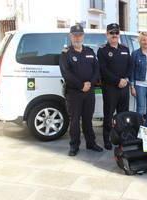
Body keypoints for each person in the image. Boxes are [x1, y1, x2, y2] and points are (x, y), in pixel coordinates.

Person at [59, 24, 103, 156]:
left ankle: (91, 143)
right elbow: (66, 73)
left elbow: (97, 69)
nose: (77, 38)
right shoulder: (66, 53)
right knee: (74, 120)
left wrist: (90, 83)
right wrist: (81, 85)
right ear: (70, 36)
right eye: (74, 35)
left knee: (88, 119)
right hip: (74, 93)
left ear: (83, 36)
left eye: (79, 35)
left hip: (89, 91)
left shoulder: (89, 51)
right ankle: (74, 146)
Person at [97, 23, 131, 150]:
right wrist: (118, 81)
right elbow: (103, 69)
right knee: (109, 114)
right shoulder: (102, 50)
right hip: (110, 88)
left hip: (124, 87)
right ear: (107, 35)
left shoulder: (125, 49)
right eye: (111, 33)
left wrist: (126, 79)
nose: (114, 35)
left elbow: (130, 66)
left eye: (116, 33)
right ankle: (107, 139)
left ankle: (122, 137)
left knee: (123, 115)